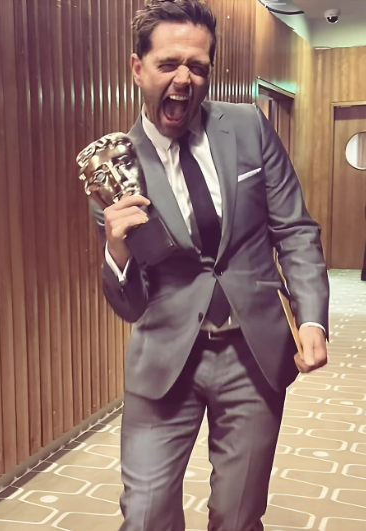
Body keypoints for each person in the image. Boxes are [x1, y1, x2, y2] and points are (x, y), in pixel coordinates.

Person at [90, 1, 330, 530]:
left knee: (238, 515)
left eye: (197, 66)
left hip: (253, 353)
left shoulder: (248, 127)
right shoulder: (114, 170)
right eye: (168, 64)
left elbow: (294, 229)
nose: (184, 79)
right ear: (137, 68)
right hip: (164, 359)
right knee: (145, 515)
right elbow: (129, 304)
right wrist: (117, 251)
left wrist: (312, 318)